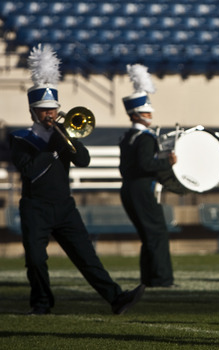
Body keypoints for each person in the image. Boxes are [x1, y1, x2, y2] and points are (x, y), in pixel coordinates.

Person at [9, 44, 145, 315]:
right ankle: (41, 304)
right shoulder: (21, 139)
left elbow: (83, 160)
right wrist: (53, 147)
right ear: (33, 112)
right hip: (35, 206)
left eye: (52, 109)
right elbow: (30, 171)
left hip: (64, 206)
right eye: (43, 110)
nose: (49, 114)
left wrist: (66, 138)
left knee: (87, 257)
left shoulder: (62, 135)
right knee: (35, 259)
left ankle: (116, 298)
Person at [119, 64, 177, 288]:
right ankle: (162, 279)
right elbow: (145, 163)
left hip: (130, 189)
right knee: (157, 233)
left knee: (148, 235)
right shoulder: (143, 138)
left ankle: (149, 278)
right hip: (141, 189)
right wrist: (167, 162)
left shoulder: (128, 137)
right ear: (136, 114)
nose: (150, 115)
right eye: (146, 112)